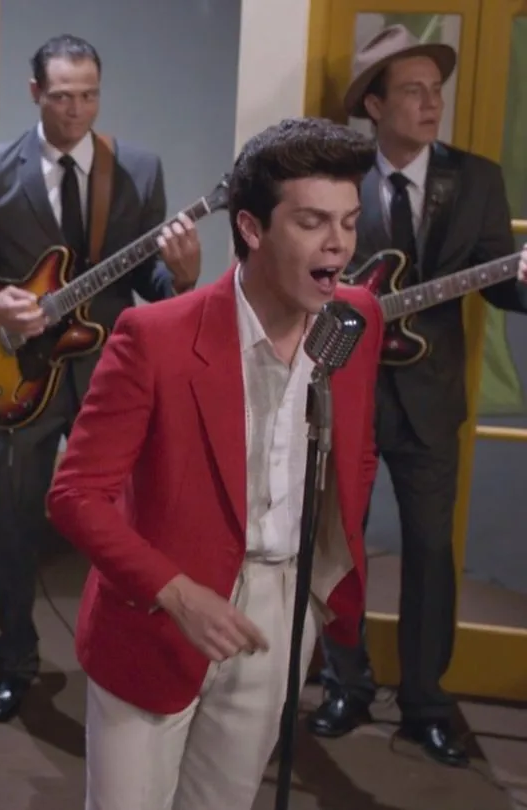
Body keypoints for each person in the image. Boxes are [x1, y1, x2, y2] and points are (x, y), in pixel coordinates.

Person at [47, 117, 383, 809]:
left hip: (282, 611)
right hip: (161, 614)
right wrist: (174, 590)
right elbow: (75, 495)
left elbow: (357, 449)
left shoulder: (357, 318)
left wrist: (314, 590)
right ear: (253, 228)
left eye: (349, 222)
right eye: (313, 222)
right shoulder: (155, 337)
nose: (339, 244)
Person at [0, 34, 201, 722]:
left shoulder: (137, 168)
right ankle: (14, 665)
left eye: (89, 96)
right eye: (61, 96)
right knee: (15, 525)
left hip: (109, 374)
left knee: (130, 525)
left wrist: (183, 276)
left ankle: (124, 660)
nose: (76, 110)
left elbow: (149, 279)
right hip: (20, 376)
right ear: (35, 94)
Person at [309, 24, 527, 768]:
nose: (431, 103)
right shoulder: (335, 178)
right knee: (341, 548)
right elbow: (309, 276)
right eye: (412, 90)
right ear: (374, 105)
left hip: (432, 402)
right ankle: (345, 684)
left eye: (436, 90)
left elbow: (500, 283)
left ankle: (428, 703)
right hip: (347, 393)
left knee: (432, 554)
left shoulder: (478, 179)